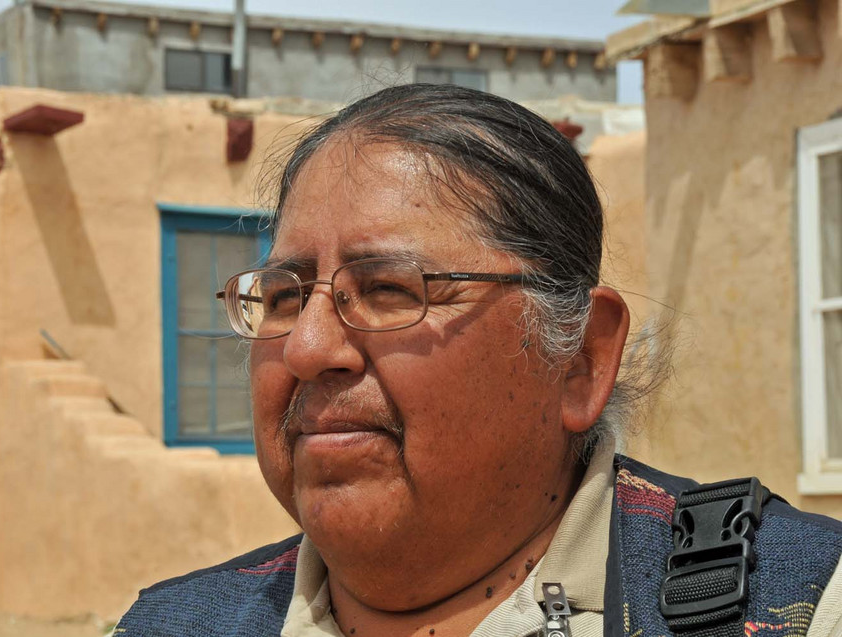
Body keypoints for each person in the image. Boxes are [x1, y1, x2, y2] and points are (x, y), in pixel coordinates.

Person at [115, 84, 842, 637]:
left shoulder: (795, 603)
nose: (307, 348)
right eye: (281, 296)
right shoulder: (173, 622)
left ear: (582, 359)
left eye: (390, 290)